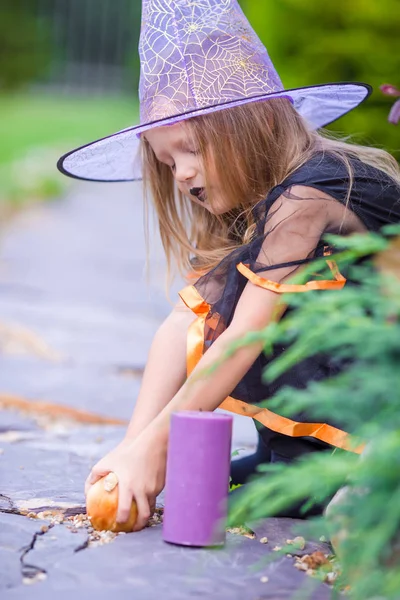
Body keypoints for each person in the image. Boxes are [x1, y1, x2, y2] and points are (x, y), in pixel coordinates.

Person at [57, 0, 400, 531]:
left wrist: (156, 451)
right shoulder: (256, 207)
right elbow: (183, 322)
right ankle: (308, 474)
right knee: (215, 494)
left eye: (190, 149)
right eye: (168, 162)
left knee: (357, 524)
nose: (181, 173)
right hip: (316, 444)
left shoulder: (311, 197)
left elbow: (244, 337)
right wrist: (135, 446)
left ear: (256, 122)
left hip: (385, 419)